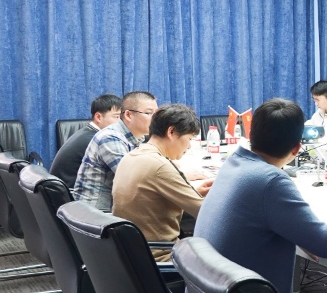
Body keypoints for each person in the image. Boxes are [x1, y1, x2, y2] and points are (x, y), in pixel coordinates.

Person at [195, 98, 327, 293]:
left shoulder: (234, 162)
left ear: (251, 134)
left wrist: (299, 233)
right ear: (297, 147)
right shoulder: (271, 181)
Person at [111, 104, 213, 261]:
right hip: (161, 257)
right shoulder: (159, 166)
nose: (189, 146)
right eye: (189, 139)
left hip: (132, 254)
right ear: (171, 132)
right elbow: (206, 213)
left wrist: (193, 192)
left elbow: (149, 199)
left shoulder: (132, 156)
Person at [73, 91, 158, 211]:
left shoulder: (137, 138)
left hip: (113, 209)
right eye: (149, 113)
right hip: (96, 213)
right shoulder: (110, 137)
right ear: (128, 115)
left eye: (156, 114)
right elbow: (135, 179)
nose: (155, 119)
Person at [50, 94, 121, 189]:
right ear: (98, 117)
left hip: (63, 190)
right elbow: (121, 172)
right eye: (117, 117)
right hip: (70, 193)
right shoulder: (97, 140)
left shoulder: (88, 132)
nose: (121, 122)